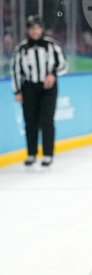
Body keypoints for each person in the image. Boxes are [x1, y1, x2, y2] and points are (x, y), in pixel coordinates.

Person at [11, 16, 66, 169]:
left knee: (46, 120)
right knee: (30, 121)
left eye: (37, 28)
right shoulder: (21, 49)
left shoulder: (52, 46)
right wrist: (17, 91)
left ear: (42, 29)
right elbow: (15, 71)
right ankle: (31, 153)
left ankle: (48, 154)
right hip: (29, 87)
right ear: (28, 31)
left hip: (47, 88)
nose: (35, 31)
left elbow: (63, 65)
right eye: (32, 29)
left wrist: (53, 74)